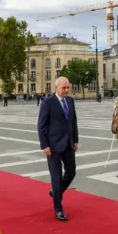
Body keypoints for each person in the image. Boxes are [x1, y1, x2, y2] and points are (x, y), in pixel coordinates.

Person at [37, 76, 79, 221]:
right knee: (56, 177)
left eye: (68, 87)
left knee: (71, 172)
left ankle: (56, 191)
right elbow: (41, 125)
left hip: (68, 144)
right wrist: (45, 145)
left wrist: (76, 140)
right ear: (56, 87)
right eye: (64, 88)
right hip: (53, 146)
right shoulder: (48, 102)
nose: (67, 90)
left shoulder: (70, 101)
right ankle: (58, 208)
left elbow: (73, 121)